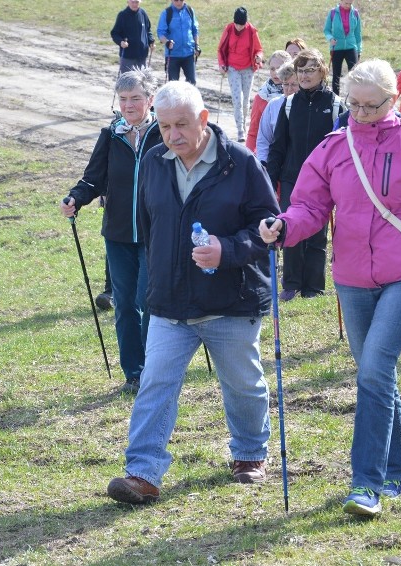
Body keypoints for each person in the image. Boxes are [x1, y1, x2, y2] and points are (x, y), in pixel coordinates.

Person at [260, 59, 401, 517]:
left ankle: (365, 484)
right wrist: (284, 226)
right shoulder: (335, 145)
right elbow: (309, 205)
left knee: (372, 370)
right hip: (351, 277)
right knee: (377, 375)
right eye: (354, 105)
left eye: (372, 107)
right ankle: (399, 473)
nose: (361, 114)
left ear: (393, 101)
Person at [106, 81, 281, 505]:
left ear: (203, 119)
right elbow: (151, 229)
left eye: (181, 124)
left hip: (230, 301)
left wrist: (228, 249)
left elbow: (270, 228)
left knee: (242, 383)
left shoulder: (239, 163)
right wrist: (156, 284)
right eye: (165, 126)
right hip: (170, 303)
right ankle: (143, 473)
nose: (173, 135)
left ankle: (249, 455)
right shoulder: (154, 162)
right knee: (155, 384)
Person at [60, 68, 163, 395]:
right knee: (125, 306)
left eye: (135, 98)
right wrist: (75, 198)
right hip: (118, 234)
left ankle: (153, 369)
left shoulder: (164, 132)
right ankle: (133, 373)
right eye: (123, 99)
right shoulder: (111, 134)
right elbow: (93, 179)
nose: (129, 105)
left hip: (154, 233)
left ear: (150, 99)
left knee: (149, 301)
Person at [266, 48, 343, 301]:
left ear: (323, 71)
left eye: (311, 69)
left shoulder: (335, 104)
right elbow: (278, 146)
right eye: (301, 70)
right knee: (289, 226)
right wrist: (270, 179)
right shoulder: (288, 104)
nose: (305, 75)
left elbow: (341, 146)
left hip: (323, 179)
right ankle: (291, 282)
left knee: (317, 232)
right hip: (292, 177)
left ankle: (313, 286)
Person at [217, 7, 264, 142]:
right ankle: (240, 130)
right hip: (232, 68)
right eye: (237, 24)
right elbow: (220, 49)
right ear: (234, 22)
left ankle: (244, 124)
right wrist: (221, 64)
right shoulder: (229, 29)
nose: (239, 27)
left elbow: (259, 49)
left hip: (248, 68)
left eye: (241, 24)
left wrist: (258, 57)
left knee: (245, 100)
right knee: (237, 99)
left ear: (245, 23)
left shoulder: (251, 31)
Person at [246, 50, 291, 153]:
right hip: (269, 153)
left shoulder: (297, 92)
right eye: (272, 69)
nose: (275, 72)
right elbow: (253, 133)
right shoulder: (262, 96)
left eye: (280, 68)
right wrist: (249, 157)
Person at [255, 61, 298, 164]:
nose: (289, 89)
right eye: (285, 84)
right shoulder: (273, 105)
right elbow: (263, 140)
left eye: (294, 85)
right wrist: (263, 163)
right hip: (275, 165)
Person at [323, 0, 362, 95]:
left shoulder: (355, 13)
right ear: (340, 1)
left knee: (354, 73)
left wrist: (359, 49)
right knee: (336, 74)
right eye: (346, 3)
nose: (348, 5)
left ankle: (353, 96)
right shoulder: (332, 13)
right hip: (336, 47)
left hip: (351, 47)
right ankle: (335, 97)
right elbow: (326, 30)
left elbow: (358, 33)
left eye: (350, 3)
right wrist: (330, 38)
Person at [157, 0, 199, 85]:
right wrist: (167, 42)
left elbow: (195, 30)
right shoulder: (167, 13)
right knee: (173, 85)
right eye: (176, 0)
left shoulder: (190, 10)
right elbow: (160, 33)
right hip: (173, 55)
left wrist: (197, 45)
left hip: (188, 54)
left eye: (181, 0)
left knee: (192, 83)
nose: (179, 2)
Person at [110, 0, 155, 74]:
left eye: (137, 2)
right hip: (127, 56)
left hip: (142, 55)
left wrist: (151, 41)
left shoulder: (143, 13)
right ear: (128, 2)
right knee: (125, 81)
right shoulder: (122, 15)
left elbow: (148, 30)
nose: (135, 4)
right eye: (132, 2)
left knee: (141, 82)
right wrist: (121, 42)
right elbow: (115, 33)